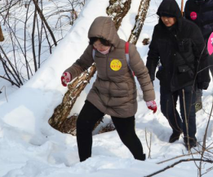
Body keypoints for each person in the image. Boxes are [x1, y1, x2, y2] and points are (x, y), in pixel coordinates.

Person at [61, 16, 156, 162]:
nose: (98, 48)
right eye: (96, 45)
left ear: (110, 40)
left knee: (127, 136)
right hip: (100, 95)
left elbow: (142, 74)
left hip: (123, 100)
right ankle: (84, 163)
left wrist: (149, 98)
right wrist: (69, 73)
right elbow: (81, 64)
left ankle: (141, 161)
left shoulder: (127, 50)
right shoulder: (93, 49)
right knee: (83, 124)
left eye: (101, 45)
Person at [146, 0, 209, 150]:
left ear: (176, 15)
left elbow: (202, 54)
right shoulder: (158, 30)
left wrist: (203, 77)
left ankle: (189, 137)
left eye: (169, 16)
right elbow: (153, 53)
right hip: (167, 76)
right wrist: (149, 74)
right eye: (163, 16)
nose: (166, 20)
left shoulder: (190, 29)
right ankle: (177, 128)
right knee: (166, 108)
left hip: (187, 76)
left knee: (188, 111)